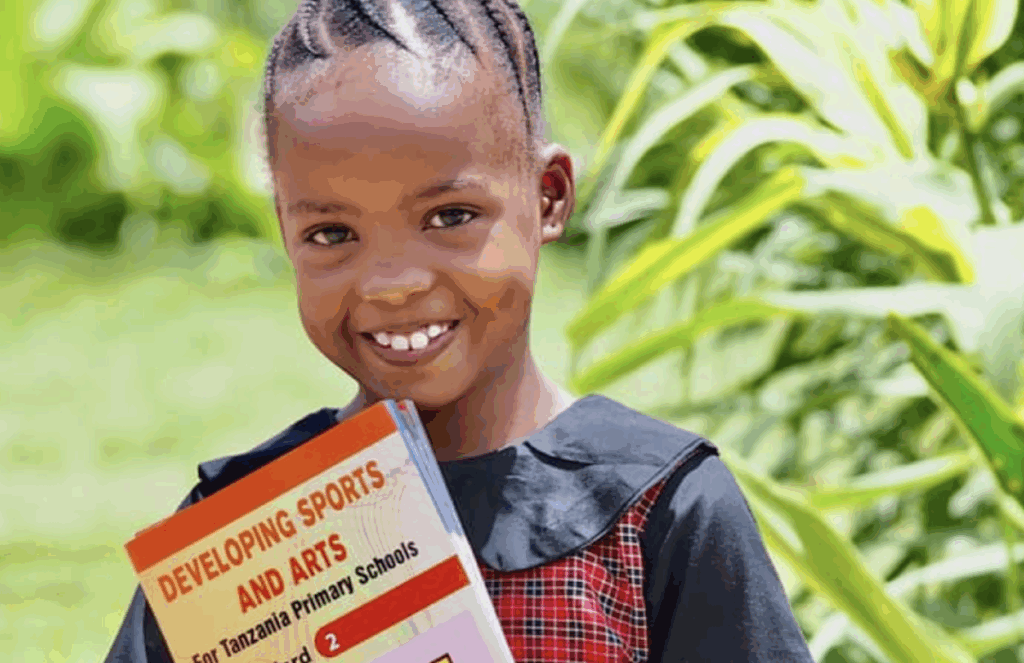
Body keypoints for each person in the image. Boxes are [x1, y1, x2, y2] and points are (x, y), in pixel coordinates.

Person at [105, 0, 815, 660]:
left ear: (548, 197)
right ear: (286, 231)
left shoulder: (660, 512)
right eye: (332, 232)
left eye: (449, 217)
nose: (392, 282)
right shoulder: (243, 535)